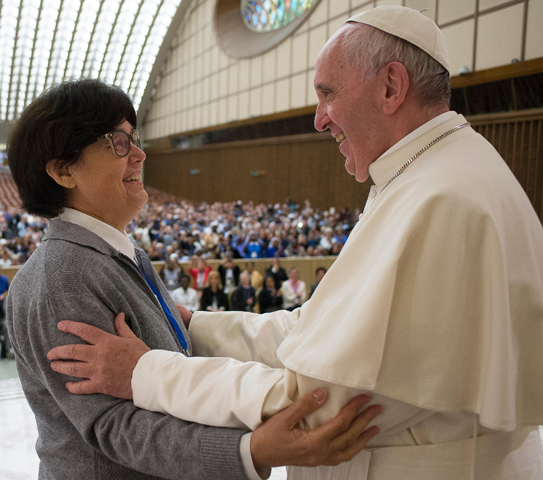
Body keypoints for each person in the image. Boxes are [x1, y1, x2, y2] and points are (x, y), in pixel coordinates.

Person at [48, 7, 543, 479]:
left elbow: (316, 408)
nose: (319, 119)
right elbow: (315, 334)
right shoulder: (433, 177)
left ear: (391, 86)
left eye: (328, 94)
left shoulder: (441, 200)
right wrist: (198, 327)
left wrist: (147, 372)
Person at [5, 79, 379, 480]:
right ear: (63, 171)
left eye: (134, 139)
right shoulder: (65, 274)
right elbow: (115, 426)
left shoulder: (111, 256)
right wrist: (246, 451)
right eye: (118, 143)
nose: (139, 155)